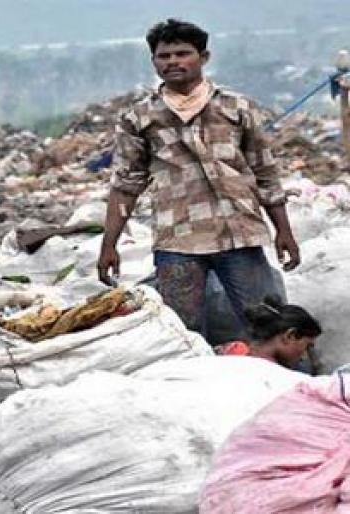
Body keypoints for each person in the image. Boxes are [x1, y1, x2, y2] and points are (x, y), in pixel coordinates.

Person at [97, 19, 300, 345]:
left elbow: (265, 172)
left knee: (269, 324)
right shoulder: (139, 117)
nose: (173, 62)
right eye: (164, 56)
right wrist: (109, 245)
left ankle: (293, 386)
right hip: (178, 240)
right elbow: (125, 185)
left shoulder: (236, 107)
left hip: (239, 234)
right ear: (154, 62)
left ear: (203, 57)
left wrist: (284, 231)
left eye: (182, 53)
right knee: (182, 333)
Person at [218, 295, 321, 369]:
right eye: (306, 346)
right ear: (290, 336)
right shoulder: (276, 378)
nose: (304, 356)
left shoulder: (230, 352)